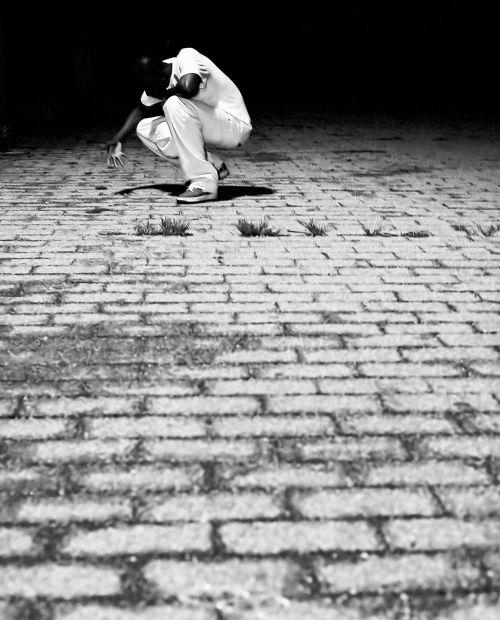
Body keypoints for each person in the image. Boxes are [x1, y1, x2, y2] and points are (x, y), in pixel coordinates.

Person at [104, 48, 252, 203]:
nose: (150, 94)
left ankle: (204, 183)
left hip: (234, 126)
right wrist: (118, 139)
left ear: (160, 77)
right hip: (211, 125)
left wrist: (166, 96)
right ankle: (212, 164)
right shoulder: (157, 81)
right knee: (145, 128)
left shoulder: (186, 57)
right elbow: (140, 111)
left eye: (149, 88)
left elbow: (189, 87)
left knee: (173, 103)